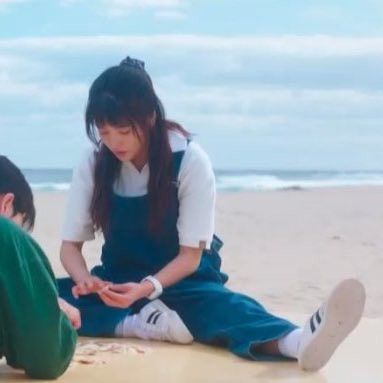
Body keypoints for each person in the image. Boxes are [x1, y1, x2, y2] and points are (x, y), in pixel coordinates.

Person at [58, 57, 366, 371]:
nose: (113, 142)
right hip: (118, 280)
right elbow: (70, 247)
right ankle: (139, 322)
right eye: (104, 132)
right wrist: (86, 282)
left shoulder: (189, 161)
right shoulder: (94, 162)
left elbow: (190, 256)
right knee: (48, 293)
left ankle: (298, 342)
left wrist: (147, 288)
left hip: (183, 279)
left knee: (220, 308)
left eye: (123, 130)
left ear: (150, 117)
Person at [0, 155, 78, 379]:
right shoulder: (5, 232)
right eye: (20, 228)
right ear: (7, 204)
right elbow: (47, 358)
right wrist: (51, 315)